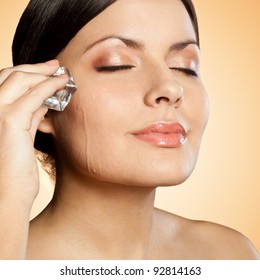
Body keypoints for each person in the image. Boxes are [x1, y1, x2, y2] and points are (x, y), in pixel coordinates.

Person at [0, 0, 259, 260]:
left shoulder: (230, 255)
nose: (170, 88)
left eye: (185, 67)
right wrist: (9, 199)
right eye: (118, 64)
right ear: (43, 100)